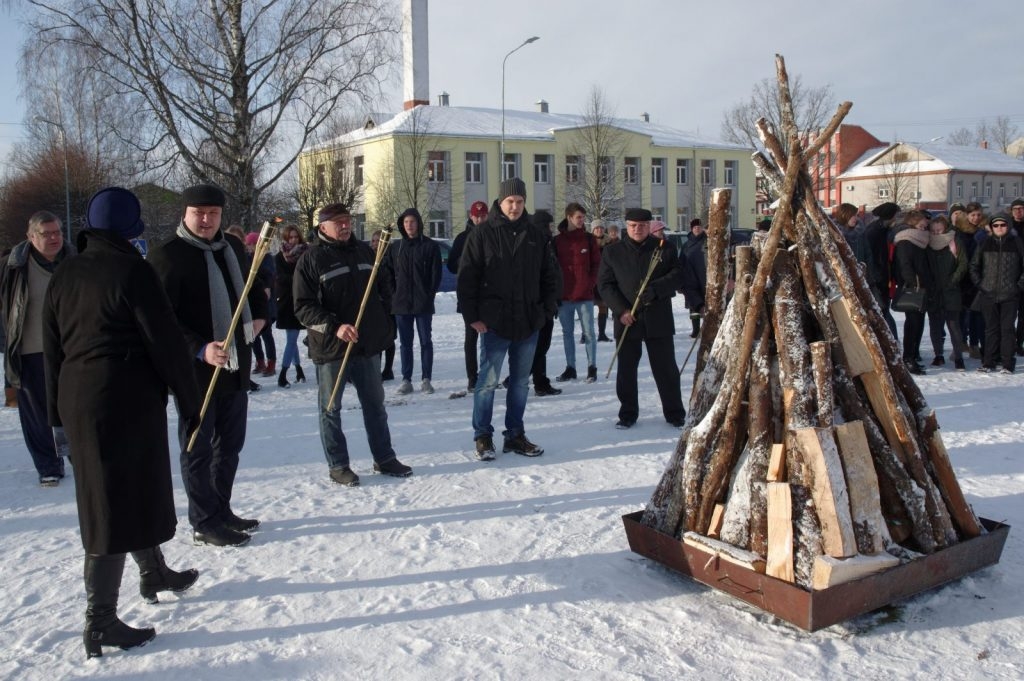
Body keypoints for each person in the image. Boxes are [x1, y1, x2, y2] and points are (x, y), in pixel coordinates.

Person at [42, 187, 201, 658]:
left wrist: (55, 415)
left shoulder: (64, 272)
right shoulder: (134, 271)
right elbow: (166, 342)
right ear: (129, 229)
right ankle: (101, 620)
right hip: (123, 398)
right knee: (109, 504)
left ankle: (153, 571)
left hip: (78, 396)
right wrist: (191, 403)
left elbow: (51, 348)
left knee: (127, 490)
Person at [147, 184, 268, 547]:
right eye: (198, 213)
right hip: (195, 371)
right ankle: (203, 521)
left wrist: (261, 316)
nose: (205, 220)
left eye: (213, 213)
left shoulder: (230, 248)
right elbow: (159, 320)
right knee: (197, 447)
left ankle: (221, 508)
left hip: (235, 364)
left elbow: (254, 287)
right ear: (184, 214)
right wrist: (200, 349)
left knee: (230, 444)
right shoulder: (166, 256)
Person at [293, 203, 412, 485]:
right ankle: (338, 465)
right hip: (331, 349)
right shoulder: (310, 260)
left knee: (375, 405)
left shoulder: (365, 251)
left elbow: (384, 284)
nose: (345, 226)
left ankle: (384, 458)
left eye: (347, 221)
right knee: (330, 409)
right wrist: (336, 327)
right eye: (338, 222)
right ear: (323, 227)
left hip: (366, 345)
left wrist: (381, 316)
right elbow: (302, 308)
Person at [458, 178, 560, 460]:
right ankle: (483, 436)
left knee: (520, 382)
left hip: (528, 321)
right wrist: (472, 316)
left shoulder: (535, 235)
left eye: (519, 201)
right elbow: (467, 278)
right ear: (500, 202)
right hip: (494, 322)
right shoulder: (482, 234)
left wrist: (546, 310)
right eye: (509, 201)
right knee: (487, 382)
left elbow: (549, 275)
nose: (514, 207)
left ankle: (515, 434)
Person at [0, 210, 74, 486]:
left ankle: (77, 455)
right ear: (31, 237)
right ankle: (48, 465)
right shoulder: (13, 266)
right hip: (29, 349)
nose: (54, 238)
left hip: (70, 349)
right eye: (46, 234)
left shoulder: (77, 261)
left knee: (73, 407)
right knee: (36, 413)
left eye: (57, 232)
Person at [598, 207, 686, 429]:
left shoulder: (664, 249)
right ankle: (628, 413)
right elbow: (605, 285)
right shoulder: (613, 252)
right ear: (626, 227)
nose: (638, 229)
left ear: (650, 226)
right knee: (627, 369)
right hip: (628, 320)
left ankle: (674, 412)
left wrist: (657, 289)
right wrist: (621, 311)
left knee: (666, 368)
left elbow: (677, 276)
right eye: (633, 226)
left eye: (643, 226)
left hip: (659, 318)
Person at [385, 208, 442, 395]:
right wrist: (394, 294)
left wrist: (429, 294)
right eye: (406, 222)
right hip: (401, 304)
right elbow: (389, 274)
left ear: (419, 223)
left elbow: (436, 274)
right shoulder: (396, 247)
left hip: (422, 303)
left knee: (426, 341)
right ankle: (406, 379)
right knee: (405, 343)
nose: (409, 225)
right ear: (402, 224)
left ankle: (426, 379)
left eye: (413, 221)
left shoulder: (430, 246)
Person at [969, 213, 1024, 373]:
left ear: (1008, 226)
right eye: (996, 225)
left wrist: (1018, 286)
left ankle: (1007, 363)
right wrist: (981, 284)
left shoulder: (1017, 243)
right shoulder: (985, 243)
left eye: (1003, 225)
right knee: (990, 329)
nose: (999, 228)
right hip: (988, 293)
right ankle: (988, 362)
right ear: (992, 227)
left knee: (1007, 329)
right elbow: (974, 266)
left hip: (1010, 294)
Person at [553, 203, 600, 383]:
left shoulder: (589, 239)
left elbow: (597, 264)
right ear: (569, 217)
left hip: (585, 295)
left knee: (589, 332)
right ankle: (570, 367)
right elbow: (553, 268)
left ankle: (592, 367)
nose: (582, 221)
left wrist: (590, 283)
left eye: (583, 217)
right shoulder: (557, 241)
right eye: (579, 217)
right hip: (564, 296)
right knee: (567, 333)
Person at [449, 201, 489, 392]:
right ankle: (472, 377)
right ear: (471, 216)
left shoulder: (493, 235)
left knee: (489, 338)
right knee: (471, 338)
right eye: (477, 216)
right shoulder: (462, 238)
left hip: (489, 295)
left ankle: (488, 374)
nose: (480, 219)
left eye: (483, 216)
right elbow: (450, 265)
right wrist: (465, 265)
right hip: (469, 295)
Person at [925, 215, 968, 371]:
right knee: (935, 326)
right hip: (934, 291)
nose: (936, 233)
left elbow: (963, 264)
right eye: (934, 230)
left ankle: (958, 357)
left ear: (946, 228)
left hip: (951, 291)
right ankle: (938, 355)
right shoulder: (927, 244)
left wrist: (953, 280)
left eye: (939, 230)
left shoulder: (954, 242)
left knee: (954, 326)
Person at [893, 210, 933, 375]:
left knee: (919, 322)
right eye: (921, 225)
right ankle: (908, 357)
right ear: (913, 224)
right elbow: (904, 265)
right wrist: (913, 282)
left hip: (923, 286)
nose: (924, 228)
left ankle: (914, 355)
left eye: (925, 225)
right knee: (912, 324)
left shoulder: (921, 240)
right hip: (913, 287)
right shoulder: (906, 241)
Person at [274, 224, 308, 388]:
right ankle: (286, 373)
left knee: (292, 338)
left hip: (301, 300)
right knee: (291, 338)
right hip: (287, 301)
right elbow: (280, 278)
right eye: (291, 237)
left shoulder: (305, 254)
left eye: (296, 237)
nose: (294, 240)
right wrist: (296, 279)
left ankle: (293, 371)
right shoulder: (279, 257)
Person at [863, 202, 900, 339]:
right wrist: (877, 278)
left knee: (884, 313)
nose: (897, 218)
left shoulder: (883, 230)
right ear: (890, 216)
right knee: (882, 313)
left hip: (884, 278)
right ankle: (892, 343)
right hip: (878, 279)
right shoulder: (874, 232)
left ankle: (892, 343)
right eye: (896, 215)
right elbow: (872, 257)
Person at [245, 231, 278, 380]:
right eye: (249, 244)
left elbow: (269, 276)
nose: (251, 247)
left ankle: (271, 363)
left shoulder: (266, 258)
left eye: (254, 243)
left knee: (266, 334)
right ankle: (260, 361)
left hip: (265, 303)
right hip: (250, 304)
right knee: (252, 336)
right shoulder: (246, 258)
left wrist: (265, 286)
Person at [370, 229, 397, 381]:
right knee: (377, 338)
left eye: (378, 241)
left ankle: (388, 369)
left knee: (389, 337)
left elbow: (391, 279)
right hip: (374, 304)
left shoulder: (389, 257)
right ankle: (377, 369)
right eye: (373, 241)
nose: (375, 244)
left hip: (388, 303)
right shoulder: (369, 257)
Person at [679, 218, 707, 339]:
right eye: (695, 227)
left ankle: (707, 328)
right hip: (690, 277)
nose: (697, 229)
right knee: (693, 305)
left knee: (707, 304)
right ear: (691, 229)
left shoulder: (707, 242)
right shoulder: (686, 245)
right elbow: (681, 262)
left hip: (704, 276)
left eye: (699, 227)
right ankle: (695, 329)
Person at [590, 220, 612, 342]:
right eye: (597, 228)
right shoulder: (587, 242)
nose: (599, 230)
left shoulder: (609, 243)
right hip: (590, 279)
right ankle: (585, 334)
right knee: (587, 309)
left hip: (603, 278)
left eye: (601, 228)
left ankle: (602, 333)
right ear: (593, 230)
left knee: (603, 306)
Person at [1012, 198, 1024, 355]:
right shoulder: (1007, 226)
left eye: (1021, 208)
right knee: (1009, 314)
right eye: (1015, 208)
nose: (1018, 211)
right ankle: (1010, 341)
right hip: (1011, 274)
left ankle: (1019, 342)